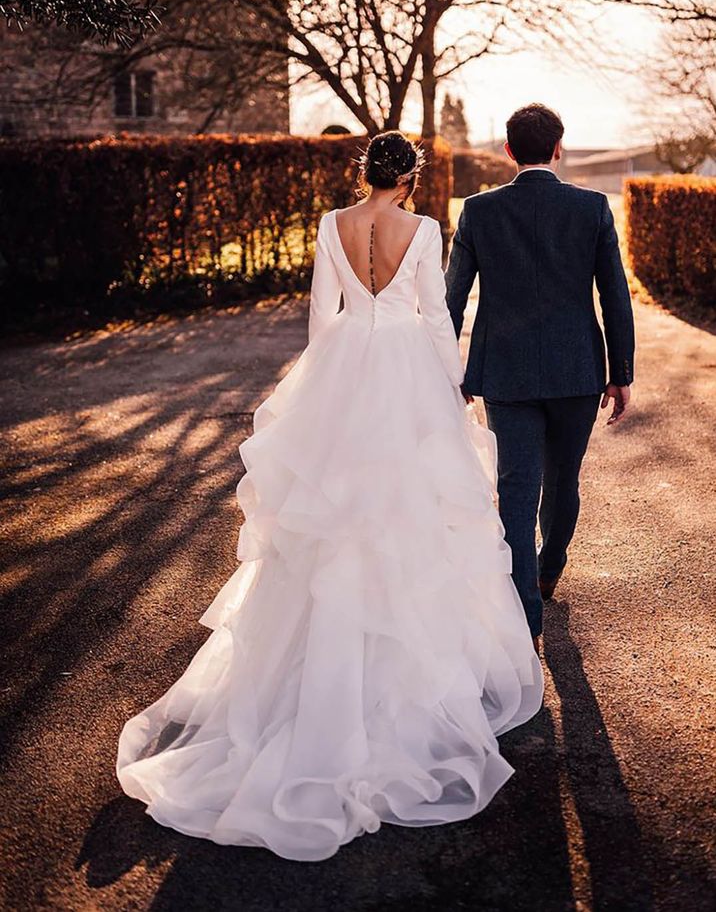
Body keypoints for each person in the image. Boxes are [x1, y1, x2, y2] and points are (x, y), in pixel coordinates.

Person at [116, 131, 543, 862]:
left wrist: (324, 390)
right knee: (408, 514)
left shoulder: (329, 226)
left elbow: (322, 315)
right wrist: (451, 383)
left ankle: (308, 679)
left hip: (346, 362)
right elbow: (434, 315)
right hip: (404, 367)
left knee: (330, 521)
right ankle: (394, 670)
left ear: (363, 173)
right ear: (408, 178)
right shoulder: (424, 227)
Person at [445, 103, 635, 649]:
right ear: (559, 148)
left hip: (504, 374)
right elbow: (614, 295)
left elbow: (449, 301)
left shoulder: (478, 213)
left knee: (516, 492)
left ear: (508, 151)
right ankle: (550, 569)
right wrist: (620, 372)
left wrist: (447, 369)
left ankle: (526, 622)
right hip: (577, 371)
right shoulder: (592, 208)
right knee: (563, 481)